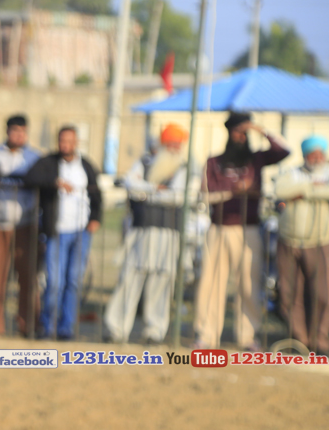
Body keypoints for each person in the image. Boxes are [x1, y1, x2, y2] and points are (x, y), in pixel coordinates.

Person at [194, 113, 289, 350]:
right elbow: (206, 194)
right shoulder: (214, 162)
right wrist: (234, 192)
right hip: (219, 228)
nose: (241, 137)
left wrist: (261, 130)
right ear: (229, 133)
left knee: (249, 283)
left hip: (249, 229)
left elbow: (284, 151)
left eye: (245, 133)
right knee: (211, 283)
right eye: (237, 131)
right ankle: (207, 334)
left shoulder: (256, 159)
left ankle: (248, 335)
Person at [105, 123, 195, 344]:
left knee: (162, 281)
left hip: (168, 233)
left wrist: (146, 193)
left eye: (177, 144)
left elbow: (178, 197)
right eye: (171, 143)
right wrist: (153, 189)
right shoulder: (145, 162)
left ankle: (155, 331)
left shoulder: (183, 168)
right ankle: (116, 329)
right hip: (142, 230)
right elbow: (131, 184)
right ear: (163, 143)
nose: (174, 148)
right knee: (130, 277)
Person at [21, 126, 102, 340]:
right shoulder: (48, 163)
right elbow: (29, 179)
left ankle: (67, 327)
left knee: (74, 281)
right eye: (62, 141)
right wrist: (53, 183)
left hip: (81, 231)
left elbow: (96, 194)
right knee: (54, 282)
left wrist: (95, 218)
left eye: (69, 141)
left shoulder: (86, 166)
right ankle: (48, 326)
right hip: (56, 231)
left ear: (76, 142)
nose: (65, 145)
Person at [0, 114, 42, 336]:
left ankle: (28, 326)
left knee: (27, 277)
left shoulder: (34, 158)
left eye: (22, 131)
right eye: (14, 130)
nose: (18, 135)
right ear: (7, 131)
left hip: (25, 224)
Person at [274, 135, 329, 355]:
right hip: (289, 240)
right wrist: (312, 187)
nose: (316, 158)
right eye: (311, 154)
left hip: (320, 241)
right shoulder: (292, 173)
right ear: (305, 155)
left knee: (322, 294)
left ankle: (320, 341)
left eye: (319, 154)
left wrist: (300, 193)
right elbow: (280, 190)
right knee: (290, 293)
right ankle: (299, 340)